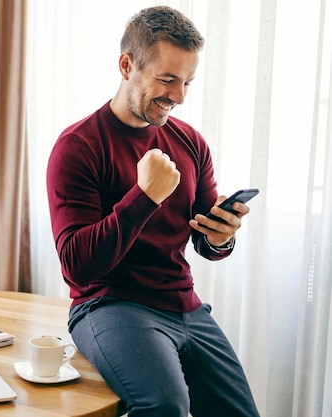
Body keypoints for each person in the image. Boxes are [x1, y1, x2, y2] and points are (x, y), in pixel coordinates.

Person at [46, 6, 260, 417]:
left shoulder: (190, 143)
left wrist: (220, 237)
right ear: (127, 66)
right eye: (167, 79)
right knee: (164, 406)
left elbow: (205, 238)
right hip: (109, 304)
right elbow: (77, 267)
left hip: (184, 305)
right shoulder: (78, 147)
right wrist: (144, 196)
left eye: (186, 82)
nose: (178, 96)